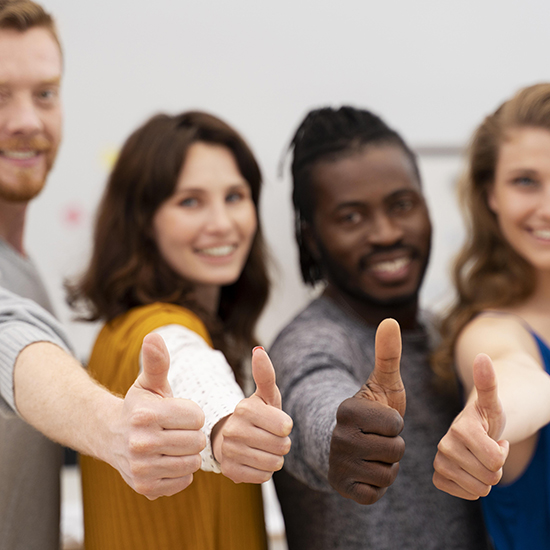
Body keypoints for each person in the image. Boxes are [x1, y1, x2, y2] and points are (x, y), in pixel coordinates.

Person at [0, 2, 205, 549]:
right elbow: (7, 336)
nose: (26, 120)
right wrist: (113, 427)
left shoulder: (22, 267)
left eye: (44, 93)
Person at [67, 110, 293, 550]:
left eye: (235, 196)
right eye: (190, 201)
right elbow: (192, 373)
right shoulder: (161, 332)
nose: (222, 223)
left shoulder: (118, 330)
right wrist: (226, 429)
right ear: (143, 220)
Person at [269, 105, 490, 549]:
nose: (387, 232)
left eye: (402, 205)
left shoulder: (446, 333)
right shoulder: (308, 344)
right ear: (311, 238)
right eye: (351, 217)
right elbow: (312, 395)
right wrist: (342, 436)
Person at [432, 83, 550, 550]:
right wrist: (490, 420)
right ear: (491, 194)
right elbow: (518, 377)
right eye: (526, 181)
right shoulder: (490, 330)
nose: (547, 207)